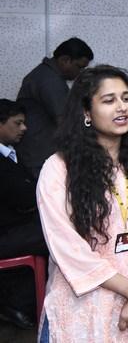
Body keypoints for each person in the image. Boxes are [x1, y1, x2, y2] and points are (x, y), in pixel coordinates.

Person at [36, 65, 128, 341]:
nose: (121, 107)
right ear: (86, 112)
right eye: (109, 100)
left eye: (126, 98)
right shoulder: (59, 168)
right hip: (84, 304)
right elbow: (64, 244)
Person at [17, 37, 94, 178]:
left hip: (36, 153)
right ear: (65, 60)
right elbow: (65, 121)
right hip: (40, 156)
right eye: (79, 67)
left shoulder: (43, 74)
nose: (80, 72)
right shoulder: (50, 81)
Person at [0, 100, 46, 331]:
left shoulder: (12, 155)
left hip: (15, 228)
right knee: (54, 235)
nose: (24, 128)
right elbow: (25, 197)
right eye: (17, 123)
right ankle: (19, 303)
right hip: (5, 234)